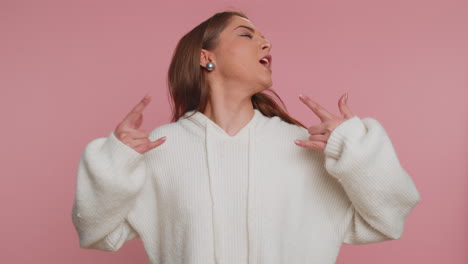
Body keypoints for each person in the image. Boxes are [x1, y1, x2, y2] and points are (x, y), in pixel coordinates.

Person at [71, 10, 421, 264]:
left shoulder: (305, 148)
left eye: (263, 37)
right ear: (205, 57)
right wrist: (115, 163)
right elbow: (98, 232)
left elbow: (388, 220)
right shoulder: (160, 150)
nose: (266, 42)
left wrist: (355, 149)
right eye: (246, 34)